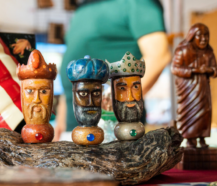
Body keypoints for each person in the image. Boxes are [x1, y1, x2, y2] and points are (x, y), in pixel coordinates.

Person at [56, 0, 171, 140]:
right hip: (72, 129)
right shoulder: (81, 9)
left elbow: (158, 56)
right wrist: (61, 120)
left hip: (114, 129)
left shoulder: (138, 2)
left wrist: (116, 104)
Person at [171, 23, 217, 148]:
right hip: (188, 90)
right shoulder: (183, 49)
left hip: (203, 89)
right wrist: (194, 70)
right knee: (189, 114)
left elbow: (215, 69)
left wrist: (209, 70)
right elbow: (175, 68)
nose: (204, 39)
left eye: (206, 35)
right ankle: (190, 140)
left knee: (205, 113)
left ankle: (202, 139)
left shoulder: (209, 51)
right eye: (199, 35)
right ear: (192, 36)